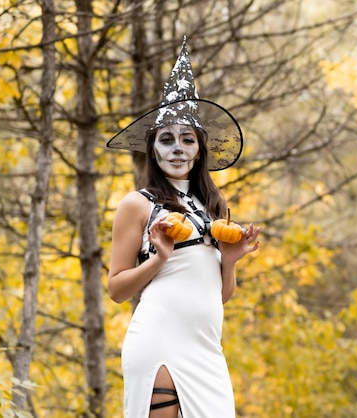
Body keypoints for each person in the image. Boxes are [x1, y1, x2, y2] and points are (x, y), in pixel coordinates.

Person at [106, 37, 260, 418]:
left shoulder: (214, 207)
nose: (177, 148)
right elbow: (116, 290)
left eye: (187, 139)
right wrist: (158, 258)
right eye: (167, 139)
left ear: (199, 149)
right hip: (159, 341)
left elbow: (219, 296)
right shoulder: (137, 204)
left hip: (207, 347)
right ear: (153, 150)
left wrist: (231, 260)